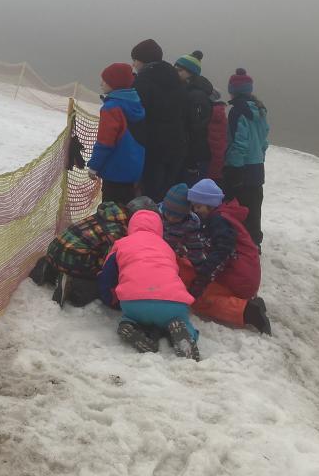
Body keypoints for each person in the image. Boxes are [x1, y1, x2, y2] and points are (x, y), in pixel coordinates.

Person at [98, 209, 200, 359]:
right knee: (178, 319)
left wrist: (109, 299)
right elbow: (177, 274)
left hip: (134, 302)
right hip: (173, 302)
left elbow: (107, 276)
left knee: (133, 316)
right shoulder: (167, 247)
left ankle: (131, 325)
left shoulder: (121, 244)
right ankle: (184, 334)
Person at [29, 198, 157, 307]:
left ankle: (49, 269)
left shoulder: (109, 214)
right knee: (103, 281)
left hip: (55, 248)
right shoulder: (119, 230)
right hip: (75, 258)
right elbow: (111, 261)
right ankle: (72, 283)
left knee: (85, 252)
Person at [184, 179, 270, 334]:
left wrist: (203, 277)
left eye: (198, 206)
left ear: (210, 205)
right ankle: (246, 302)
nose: (195, 210)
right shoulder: (220, 216)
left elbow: (222, 251)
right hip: (243, 276)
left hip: (240, 279)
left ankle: (248, 312)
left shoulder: (219, 221)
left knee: (198, 299)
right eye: (193, 206)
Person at [130, 39, 188, 201]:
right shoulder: (175, 79)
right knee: (167, 194)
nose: (133, 64)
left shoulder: (143, 81)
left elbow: (138, 114)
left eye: (135, 60)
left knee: (150, 194)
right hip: (176, 144)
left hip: (152, 146)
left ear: (144, 60)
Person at [86, 63, 145, 205]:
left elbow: (105, 142)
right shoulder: (136, 104)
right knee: (127, 209)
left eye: (105, 80)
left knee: (111, 212)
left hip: (115, 171)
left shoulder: (111, 107)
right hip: (134, 168)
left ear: (115, 83)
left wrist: (94, 166)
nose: (101, 84)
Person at [224, 69, 269, 246]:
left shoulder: (237, 111)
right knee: (254, 207)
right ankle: (255, 242)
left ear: (232, 90)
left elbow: (239, 143)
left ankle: (242, 246)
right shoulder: (260, 109)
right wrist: (260, 158)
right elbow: (264, 140)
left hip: (241, 167)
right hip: (257, 166)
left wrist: (234, 167)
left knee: (239, 208)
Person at [174, 51, 217, 184]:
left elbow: (197, 129)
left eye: (180, 70)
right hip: (187, 153)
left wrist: (191, 158)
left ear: (191, 73)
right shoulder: (186, 91)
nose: (176, 73)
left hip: (195, 156)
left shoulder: (197, 95)